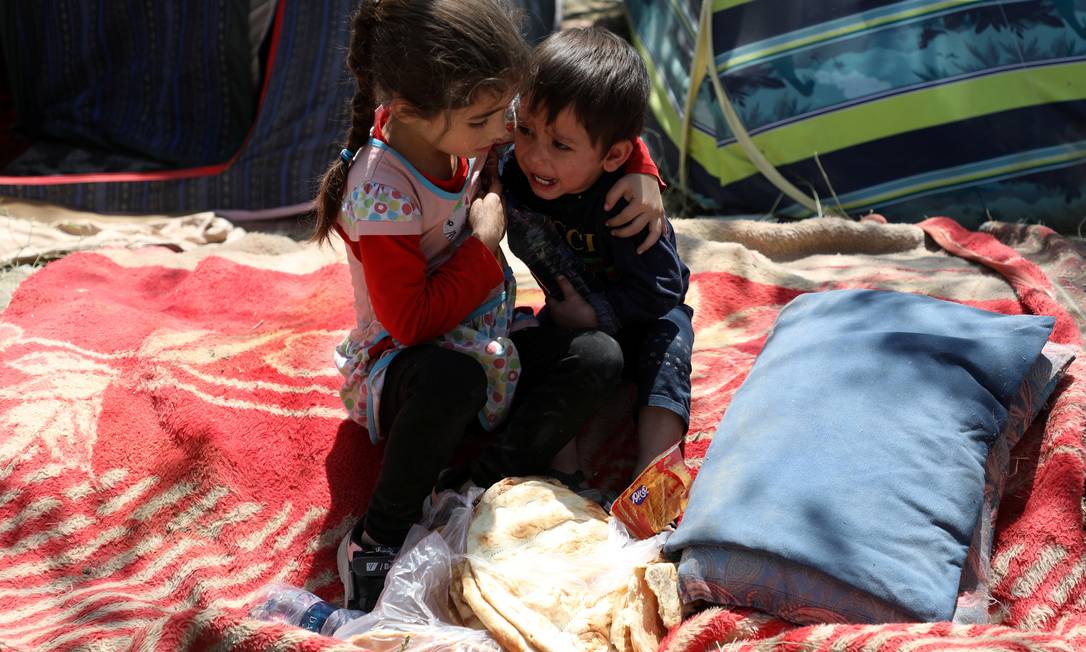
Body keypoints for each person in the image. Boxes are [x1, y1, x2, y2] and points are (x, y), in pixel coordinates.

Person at [312, 0, 669, 612]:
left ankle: (475, 485)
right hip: (410, 367)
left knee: (596, 356)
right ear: (410, 113)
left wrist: (639, 165)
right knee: (452, 380)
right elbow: (412, 322)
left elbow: (583, 125)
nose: (505, 135)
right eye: (489, 121)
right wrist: (480, 243)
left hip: (488, 347)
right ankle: (377, 538)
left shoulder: (459, 131)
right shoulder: (383, 190)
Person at [502, 26, 694, 483]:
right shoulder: (512, 172)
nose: (534, 156)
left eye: (559, 145)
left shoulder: (625, 202)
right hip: (572, 329)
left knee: (668, 346)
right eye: (525, 131)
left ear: (614, 156)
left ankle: (657, 474)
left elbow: (666, 287)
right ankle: (562, 478)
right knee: (524, 346)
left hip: (644, 320)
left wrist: (597, 314)